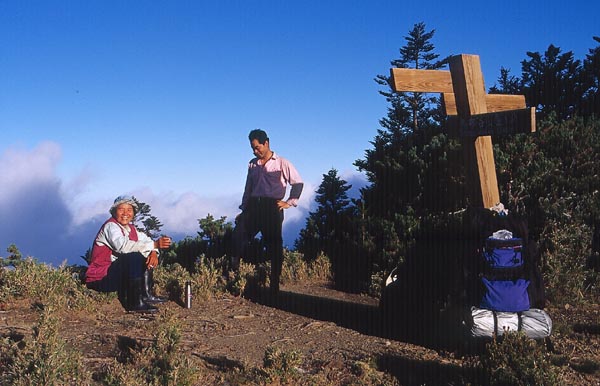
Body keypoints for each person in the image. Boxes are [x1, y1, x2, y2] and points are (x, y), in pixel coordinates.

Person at [231, 129, 303, 293]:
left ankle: (274, 285)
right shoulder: (252, 163)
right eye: (252, 148)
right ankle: (235, 278)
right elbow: (248, 188)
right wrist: (244, 209)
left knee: (274, 245)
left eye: (257, 147)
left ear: (266, 143)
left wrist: (289, 202)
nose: (255, 151)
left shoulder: (282, 163)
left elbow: (297, 183)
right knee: (237, 237)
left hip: (272, 207)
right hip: (253, 207)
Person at [85, 195, 172, 313]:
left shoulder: (131, 229)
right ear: (114, 212)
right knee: (134, 256)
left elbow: (147, 241)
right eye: (121, 209)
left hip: (115, 276)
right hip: (101, 278)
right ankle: (134, 303)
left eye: (129, 210)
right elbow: (123, 247)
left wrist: (153, 252)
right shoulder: (110, 227)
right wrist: (154, 246)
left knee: (144, 252)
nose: (125, 213)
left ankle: (146, 294)